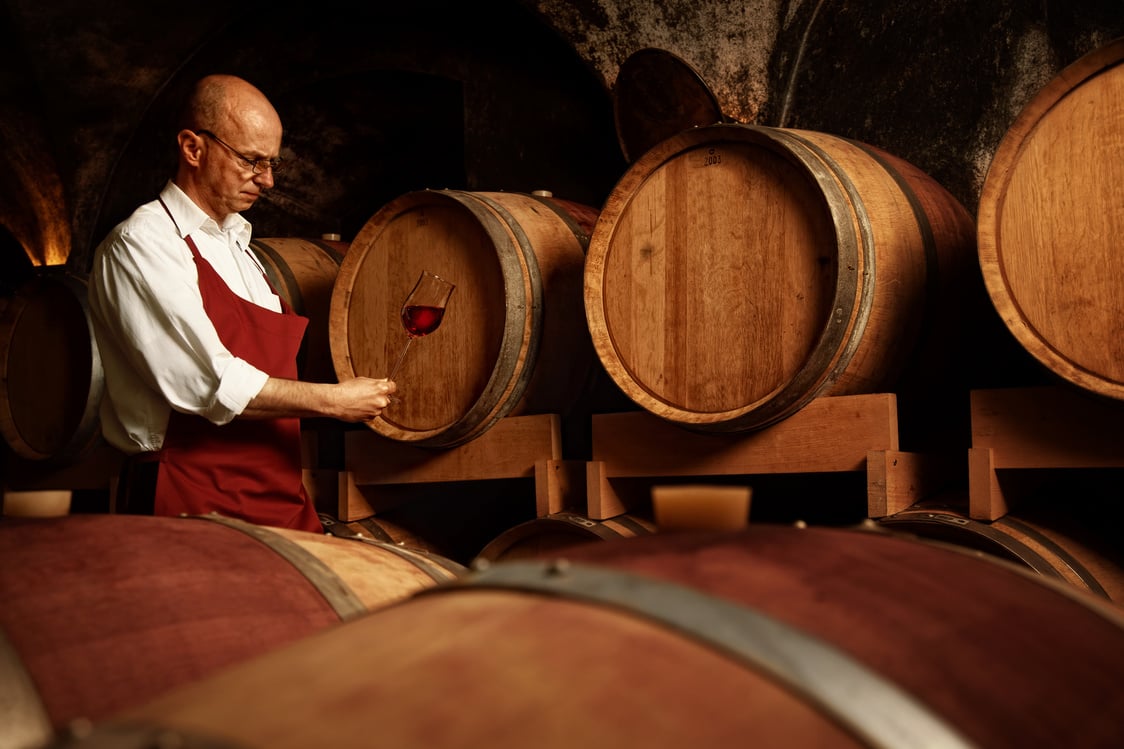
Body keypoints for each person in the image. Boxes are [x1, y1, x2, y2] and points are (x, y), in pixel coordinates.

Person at [88, 74, 395, 533]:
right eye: (252, 161)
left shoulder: (242, 248)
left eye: (272, 163)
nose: (268, 180)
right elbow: (209, 383)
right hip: (189, 497)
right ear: (193, 148)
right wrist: (334, 401)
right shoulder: (143, 243)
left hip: (278, 498)